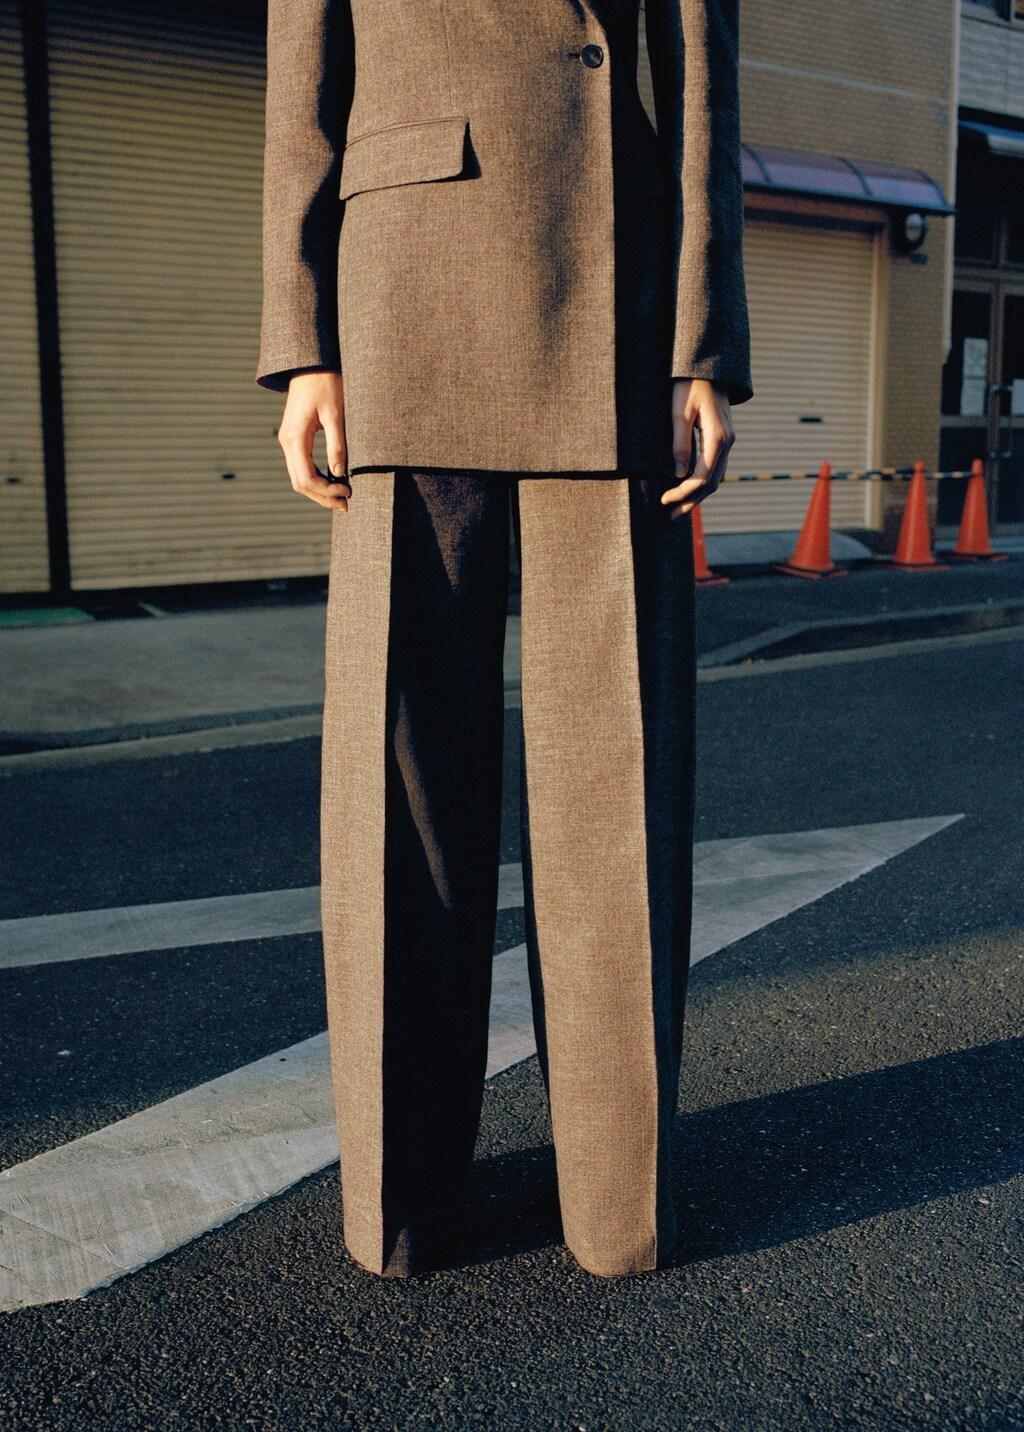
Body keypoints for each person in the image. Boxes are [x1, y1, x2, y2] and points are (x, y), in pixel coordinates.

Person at [256, 0, 753, 1279]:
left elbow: (701, 85)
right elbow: (301, 94)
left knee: (615, 778)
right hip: (406, 296)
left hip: (617, 300)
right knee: (400, 773)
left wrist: (703, 344)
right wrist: (302, 340)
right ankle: (403, 1197)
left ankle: (615, 1204)